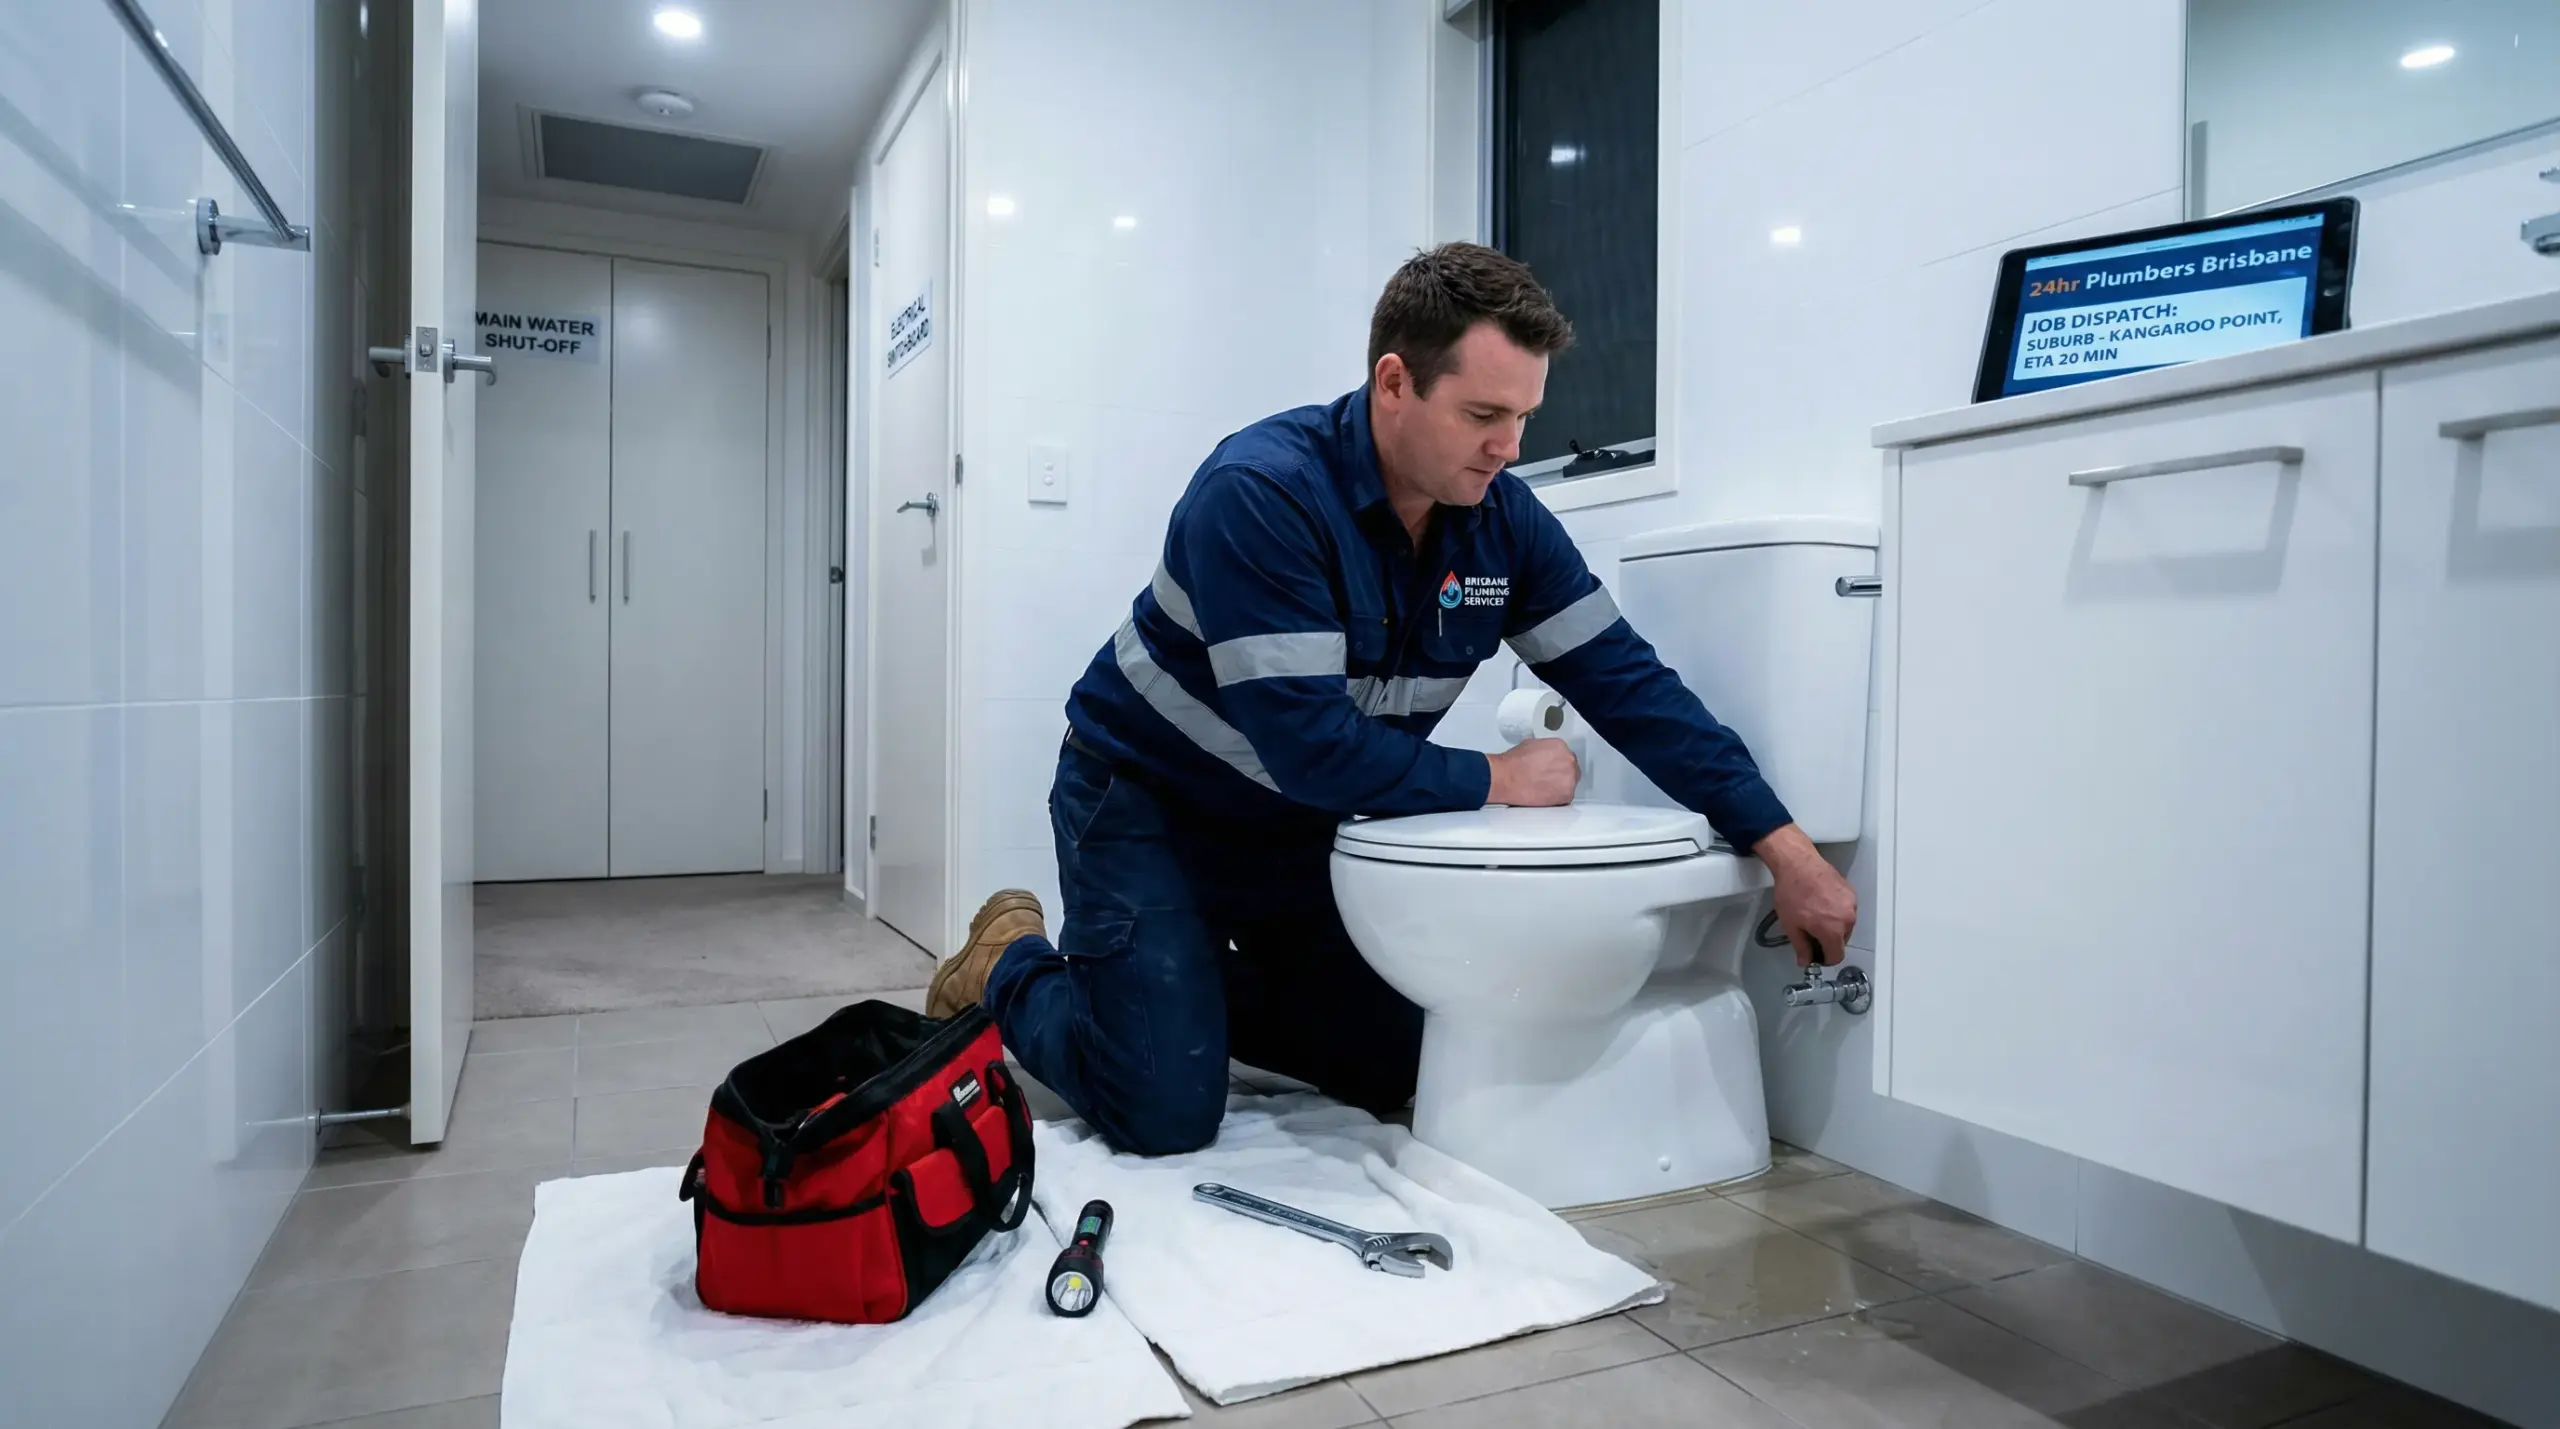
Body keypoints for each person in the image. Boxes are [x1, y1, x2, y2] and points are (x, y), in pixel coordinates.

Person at [926, 242, 1858, 1155]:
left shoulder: (1503, 522)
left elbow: (1630, 686)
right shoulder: (1263, 494)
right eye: (1484, 413)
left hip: (1297, 826)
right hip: (1148, 802)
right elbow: (1312, 750)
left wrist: (1785, 848)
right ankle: (1011, 963)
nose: (1510, 447)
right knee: (1163, 1113)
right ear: (1394, 383)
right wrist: (1499, 777)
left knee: (1395, 1060)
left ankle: (1168, 995)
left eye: (1524, 416)